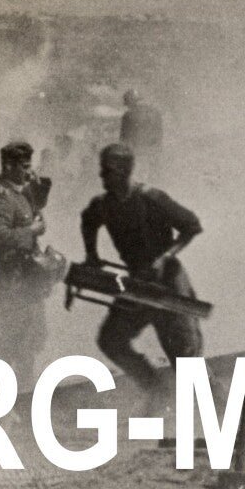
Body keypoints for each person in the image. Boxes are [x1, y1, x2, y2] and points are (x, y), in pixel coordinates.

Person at [79, 143, 202, 392]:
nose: (102, 175)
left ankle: (235, 410)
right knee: (111, 340)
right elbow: (88, 220)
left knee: (186, 360)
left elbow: (191, 226)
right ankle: (156, 390)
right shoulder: (104, 205)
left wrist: (164, 257)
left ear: (124, 171)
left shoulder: (151, 198)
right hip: (138, 284)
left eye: (107, 170)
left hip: (169, 284)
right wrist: (91, 255)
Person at [0, 140, 67, 381]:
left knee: (34, 333)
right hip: (12, 275)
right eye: (24, 166)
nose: (29, 171)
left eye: (30, 165)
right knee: (13, 334)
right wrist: (30, 230)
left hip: (29, 274)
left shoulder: (21, 192)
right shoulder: (2, 197)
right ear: (8, 166)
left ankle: (24, 385)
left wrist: (39, 188)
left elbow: (38, 208)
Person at [119, 90, 164, 160]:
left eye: (127, 104)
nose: (127, 106)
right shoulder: (155, 112)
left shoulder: (128, 115)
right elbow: (159, 132)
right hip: (154, 151)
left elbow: (124, 138)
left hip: (138, 153)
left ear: (130, 102)